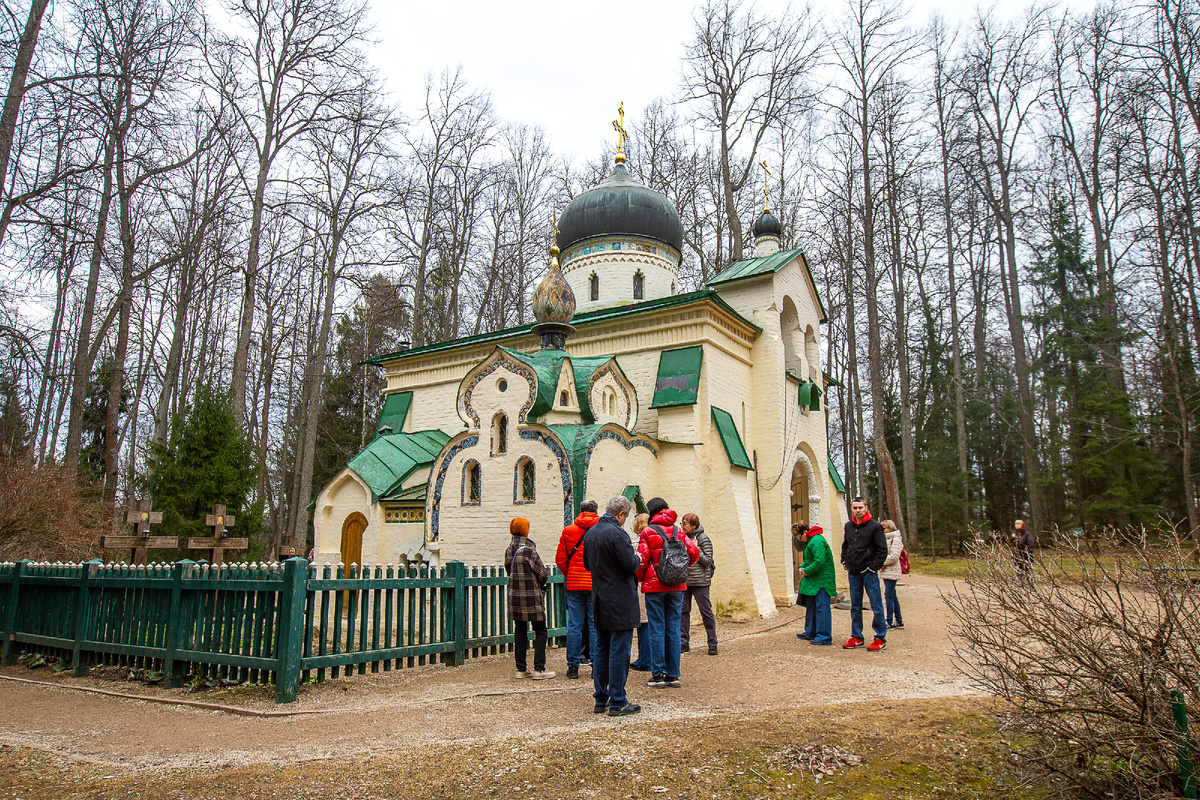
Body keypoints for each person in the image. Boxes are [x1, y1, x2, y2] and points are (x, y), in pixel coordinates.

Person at [583, 496, 643, 716]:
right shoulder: (618, 534)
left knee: (601, 648)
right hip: (620, 599)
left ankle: (601, 698)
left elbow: (587, 564)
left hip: (600, 596)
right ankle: (618, 700)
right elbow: (630, 564)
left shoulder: (591, 533)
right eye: (624, 516)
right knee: (619, 650)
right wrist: (638, 559)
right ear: (621, 514)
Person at [637, 497, 699, 688]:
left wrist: (641, 578)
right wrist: (679, 568)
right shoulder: (678, 530)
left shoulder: (648, 531)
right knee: (673, 628)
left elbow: (642, 559)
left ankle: (658, 674)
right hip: (676, 586)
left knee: (656, 628)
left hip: (655, 587)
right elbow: (693, 553)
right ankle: (673, 674)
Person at [504, 517, 555, 679]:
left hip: (515, 596)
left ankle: (521, 668)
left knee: (520, 630)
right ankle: (539, 668)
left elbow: (508, 569)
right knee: (540, 630)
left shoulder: (509, 549)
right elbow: (542, 572)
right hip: (531, 596)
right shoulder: (529, 550)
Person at [556, 500, 600, 679]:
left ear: (580, 511)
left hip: (574, 584)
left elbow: (560, 559)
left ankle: (573, 666)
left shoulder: (568, 531)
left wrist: (571, 574)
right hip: (594, 583)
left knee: (574, 625)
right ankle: (595, 665)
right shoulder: (600, 530)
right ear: (596, 511)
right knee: (594, 624)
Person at [841, 497, 888, 652]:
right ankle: (856, 636)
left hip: (868, 573)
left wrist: (873, 567)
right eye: (855, 508)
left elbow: (882, 550)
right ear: (851, 509)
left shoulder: (875, 527)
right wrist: (844, 561)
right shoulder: (848, 526)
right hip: (853, 572)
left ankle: (880, 637)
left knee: (876, 605)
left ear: (866, 507)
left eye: (860, 507)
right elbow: (846, 545)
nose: (858, 510)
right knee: (855, 606)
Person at [680, 513, 717, 655]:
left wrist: (696, 548)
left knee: (706, 612)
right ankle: (684, 642)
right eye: (682, 523)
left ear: (693, 525)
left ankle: (712, 642)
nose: (682, 526)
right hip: (685, 580)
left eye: (685, 523)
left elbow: (708, 560)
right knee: (683, 612)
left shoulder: (703, 539)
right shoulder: (682, 538)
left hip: (700, 581)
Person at [794, 523, 834, 645]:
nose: (800, 540)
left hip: (822, 580)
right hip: (814, 580)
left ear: (805, 532)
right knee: (811, 607)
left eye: (800, 537)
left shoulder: (816, 541)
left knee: (821, 608)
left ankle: (824, 636)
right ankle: (811, 632)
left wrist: (806, 571)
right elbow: (809, 560)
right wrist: (802, 567)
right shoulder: (811, 541)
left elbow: (819, 561)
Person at [628, 513, 652, 671]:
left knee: (643, 624)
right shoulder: (657, 539)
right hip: (653, 585)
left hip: (639, 586)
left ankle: (645, 660)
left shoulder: (635, 544)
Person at [879, 519, 904, 630]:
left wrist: (880, 561)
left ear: (890, 528)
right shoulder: (885, 540)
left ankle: (888, 620)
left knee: (888, 595)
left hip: (892, 570)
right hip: (887, 570)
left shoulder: (895, 540)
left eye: (883, 528)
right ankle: (898, 620)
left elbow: (894, 556)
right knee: (892, 595)